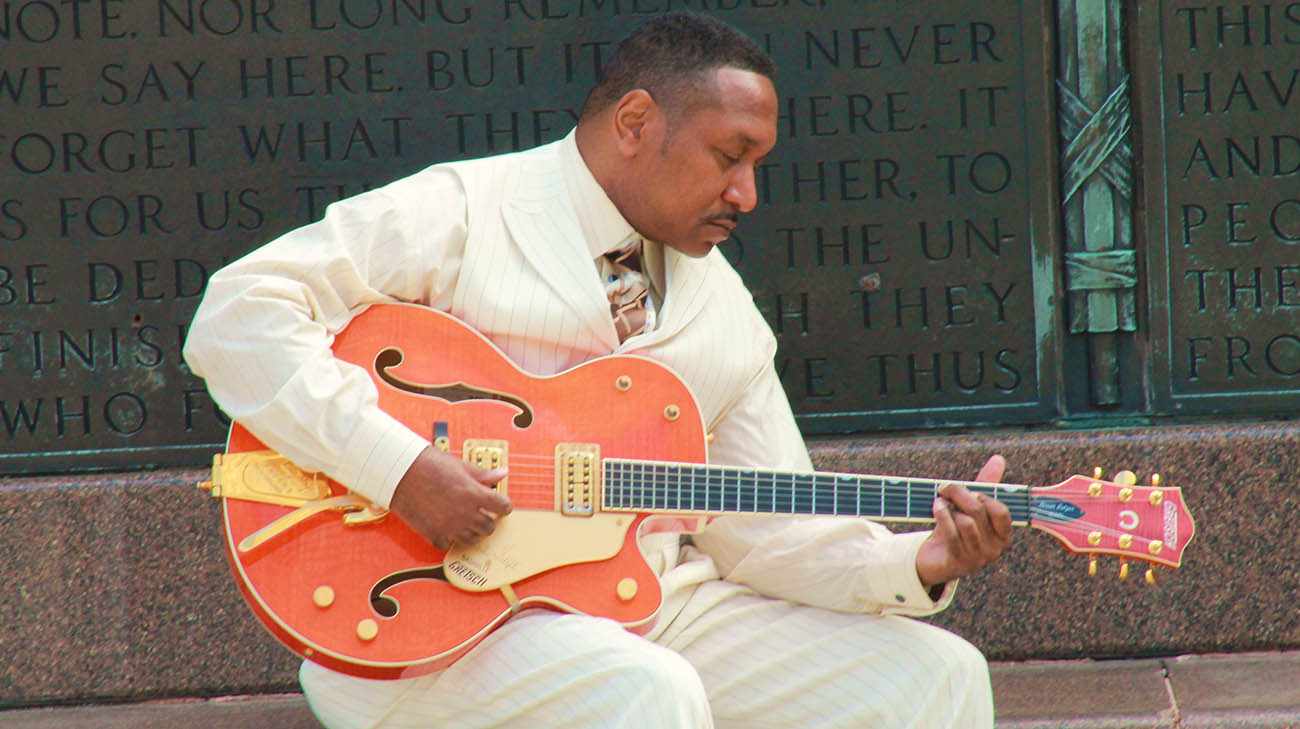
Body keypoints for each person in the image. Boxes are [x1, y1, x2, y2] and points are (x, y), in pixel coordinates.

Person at [184, 11, 1012, 729]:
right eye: (730, 155)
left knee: (936, 675)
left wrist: (920, 561)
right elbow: (239, 312)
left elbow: (769, 529)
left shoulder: (722, 312)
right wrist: (398, 468)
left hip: (646, 605)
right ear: (635, 122)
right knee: (648, 691)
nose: (748, 192)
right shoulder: (467, 211)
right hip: (428, 622)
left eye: (757, 165)